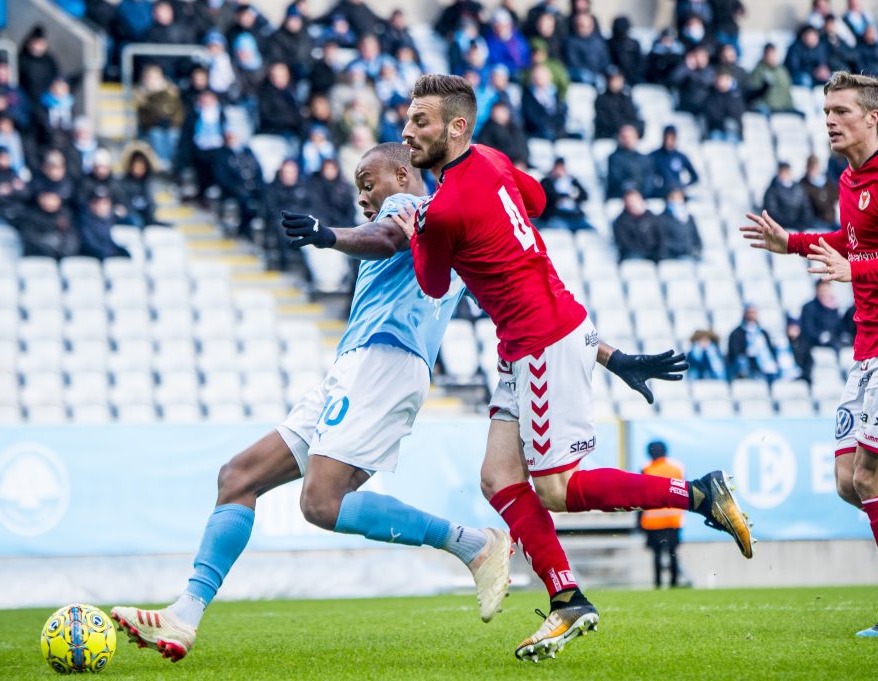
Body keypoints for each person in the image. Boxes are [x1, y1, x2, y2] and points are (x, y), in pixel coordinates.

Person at [390, 74, 752, 660]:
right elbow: (535, 201)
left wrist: (415, 233)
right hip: (538, 334)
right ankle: (567, 598)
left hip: (540, 342)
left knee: (555, 490)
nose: (407, 131)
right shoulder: (490, 158)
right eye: (407, 120)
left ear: (457, 126)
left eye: (421, 122)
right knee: (498, 480)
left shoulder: (443, 209)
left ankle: (698, 493)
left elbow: (433, 284)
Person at [110, 142, 511, 660]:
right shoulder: (453, 232)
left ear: (404, 173)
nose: (364, 196)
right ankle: (184, 615)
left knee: (321, 503)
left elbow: (388, 237)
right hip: (355, 366)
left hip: (384, 363)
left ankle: (471, 544)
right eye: (358, 189)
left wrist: (329, 236)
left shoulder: (410, 206)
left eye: (369, 183)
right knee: (239, 477)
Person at [743, 71, 878, 637]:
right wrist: (796, 244)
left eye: (840, 110)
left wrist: (854, 271)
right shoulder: (851, 178)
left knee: (875, 482)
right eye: (826, 109)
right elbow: (855, 239)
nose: (829, 119)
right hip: (869, 348)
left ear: (871, 116)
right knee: (847, 482)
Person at [640, 441, 686, 589]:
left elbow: (639, 496)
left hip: (652, 521)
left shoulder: (646, 469)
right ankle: (674, 583)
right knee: (673, 553)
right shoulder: (676, 469)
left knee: (657, 555)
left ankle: (658, 583)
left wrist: (638, 521)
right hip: (673, 519)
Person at [726, 304, 779, 382]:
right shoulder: (737, 333)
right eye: (749, 312)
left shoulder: (763, 333)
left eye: (754, 313)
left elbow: (770, 349)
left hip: (766, 365)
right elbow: (734, 353)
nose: (751, 315)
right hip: (749, 365)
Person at [539, 158, 591, 231]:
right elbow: (550, 197)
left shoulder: (572, 181)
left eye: (562, 168)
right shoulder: (547, 182)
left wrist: (570, 195)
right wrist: (569, 195)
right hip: (555, 217)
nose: (559, 171)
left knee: (591, 231)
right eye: (558, 168)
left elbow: (584, 196)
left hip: (574, 217)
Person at [763, 162, 815, 232]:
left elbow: (806, 209)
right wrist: (787, 224)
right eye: (783, 172)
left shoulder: (799, 189)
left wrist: (802, 224)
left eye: (787, 172)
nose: (785, 175)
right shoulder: (772, 190)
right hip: (781, 228)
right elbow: (772, 212)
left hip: (799, 227)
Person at [648, 126, 699, 197]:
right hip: (660, 192)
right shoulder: (654, 156)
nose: (669, 141)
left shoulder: (680, 156)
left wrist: (683, 185)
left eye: (672, 138)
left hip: (677, 192)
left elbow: (695, 177)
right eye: (667, 138)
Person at [607, 124, 652, 199]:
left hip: (643, 196)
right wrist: (631, 193)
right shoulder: (614, 158)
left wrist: (641, 193)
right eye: (624, 137)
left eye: (630, 137)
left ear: (636, 137)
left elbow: (649, 179)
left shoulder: (645, 158)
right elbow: (616, 180)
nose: (628, 140)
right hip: (622, 196)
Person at [656, 188, 702, 261]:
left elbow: (696, 237)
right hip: (672, 256)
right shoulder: (661, 218)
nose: (676, 201)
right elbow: (663, 240)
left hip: (689, 254)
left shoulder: (689, 218)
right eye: (673, 198)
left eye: (679, 198)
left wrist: (695, 249)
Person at [613, 188, 659, 261]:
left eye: (636, 200)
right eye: (630, 201)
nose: (633, 203)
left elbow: (659, 236)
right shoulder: (620, 221)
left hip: (652, 252)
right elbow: (624, 243)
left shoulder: (650, 216)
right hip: (633, 253)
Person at [800, 280, 845, 350]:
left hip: (833, 340)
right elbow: (808, 329)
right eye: (822, 290)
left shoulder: (834, 306)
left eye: (826, 290)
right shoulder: (808, 307)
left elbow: (839, 326)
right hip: (816, 344)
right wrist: (820, 336)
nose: (824, 293)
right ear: (816, 290)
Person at [800, 154, 840, 231]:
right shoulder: (803, 184)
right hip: (815, 222)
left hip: (831, 221)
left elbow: (836, 198)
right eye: (811, 167)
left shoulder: (828, 182)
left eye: (815, 167)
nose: (813, 170)